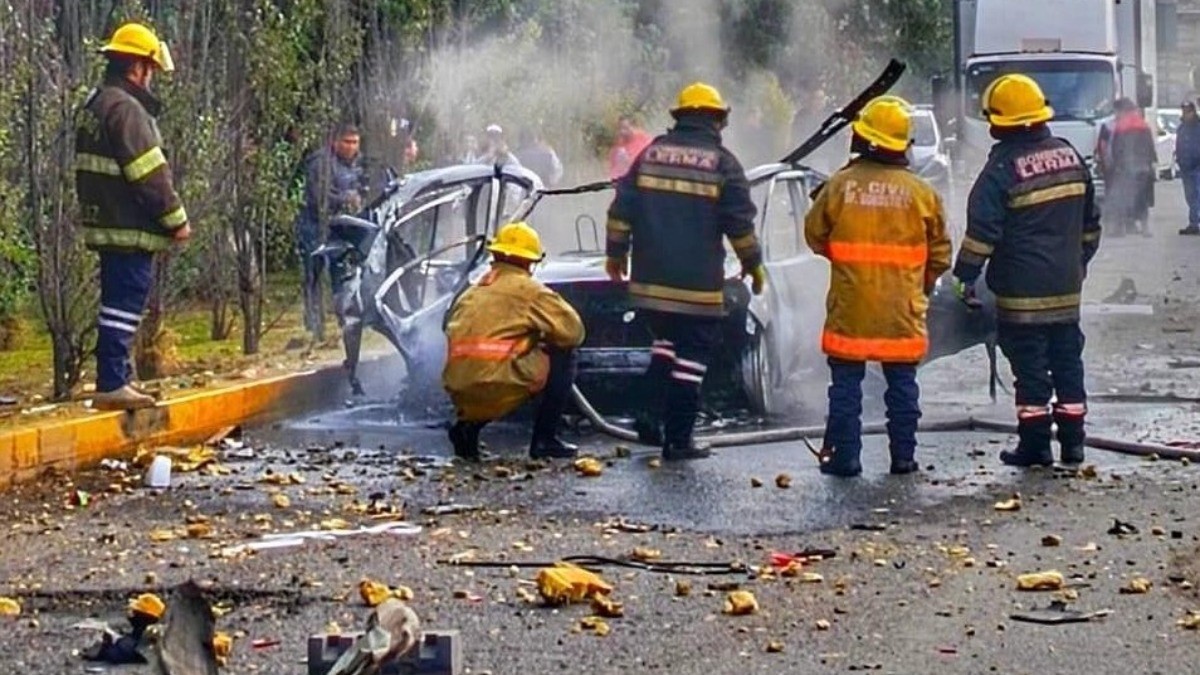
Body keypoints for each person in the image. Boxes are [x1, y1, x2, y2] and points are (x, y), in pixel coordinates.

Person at [605, 82, 764, 461]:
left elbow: (620, 210)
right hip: (696, 287)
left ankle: (648, 417)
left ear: (680, 117)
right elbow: (739, 225)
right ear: (717, 120)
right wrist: (753, 264)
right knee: (692, 355)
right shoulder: (723, 164)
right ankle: (678, 439)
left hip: (650, 282)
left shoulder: (650, 154)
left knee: (666, 344)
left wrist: (615, 255)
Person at [951, 74, 1101, 467]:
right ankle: (1073, 444)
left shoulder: (1001, 169)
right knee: (1068, 363)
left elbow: (981, 235)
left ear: (1000, 123)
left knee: (1031, 369)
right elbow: (1091, 226)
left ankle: (1035, 447)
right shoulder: (1069, 156)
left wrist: (964, 277)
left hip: (1021, 295)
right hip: (1066, 289)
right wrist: (1076, 264)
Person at [803, 96, 952, 477]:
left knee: (845, 388)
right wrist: (920, 286)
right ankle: (903, 458)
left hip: (851, 307)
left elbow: (815, 236)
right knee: (902, 386)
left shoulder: (839, 186)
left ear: (864, 139)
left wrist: (848, 261)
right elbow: (940, 255)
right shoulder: (923, 194)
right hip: (902, 309)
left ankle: (845, 459)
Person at [75, 22, 188, 411]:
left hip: (107, 221)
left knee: (116, 301)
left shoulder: (97, 103)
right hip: (128, 225)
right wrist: (176, 219)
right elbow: (149, 174)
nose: (151, 77)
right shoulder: (126, 109)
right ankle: (113, 382)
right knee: (125, 303)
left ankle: (118, 378)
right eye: (150, 69)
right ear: (137, 67)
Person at [442, 222, 585, 462]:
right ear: (530, 261)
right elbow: (574, 332)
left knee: (486, 372)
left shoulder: (471, 292)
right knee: (565, 354)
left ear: (495, 255)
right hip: (497, 385)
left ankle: (467, 430)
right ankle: (545, 440)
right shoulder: (530, 291)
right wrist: (540, 337)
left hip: (458, 387)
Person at [294, 123, 368, 342]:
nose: (351, 147)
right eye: (347, 142)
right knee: (314, 274)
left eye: (355, 142)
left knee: (343, 275)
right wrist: (346, 199)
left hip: (342, 228)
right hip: (314, 225)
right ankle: (314, 326)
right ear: (335, 142)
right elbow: (318, 196)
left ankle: (344, 323)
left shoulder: (358, 162)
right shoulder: (320, 163)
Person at [1105, 98, 1156, 237]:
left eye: (1116, 111)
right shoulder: (1143, 124)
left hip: (1126, 167)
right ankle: (1145, 228)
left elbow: (1117, 148)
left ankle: (1119, 229)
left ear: (1122, 110)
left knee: (1122, 196)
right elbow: (1150, 146)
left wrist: (1116, 164)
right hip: (1143, 167)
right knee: (1142, 198)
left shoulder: (1122, 126)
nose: (1116, 114)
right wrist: (1151, 163)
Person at [1177, 101, 1200, 235]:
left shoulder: (1198, 127)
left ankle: (1194, 223)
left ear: (1193, 112)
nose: (1185, 114)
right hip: (1185, 167)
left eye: (1188, 111)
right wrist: (1179, 159)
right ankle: (1194, 221)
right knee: (1190, 196)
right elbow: (1179, 144)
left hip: (1197, 167)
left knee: (1196, 195)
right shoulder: (1182, 128)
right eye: (1184, 111)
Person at [608, 115, 653, 180]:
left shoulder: (645, 140)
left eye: (625, 128)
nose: (622, 132)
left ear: (633, 127)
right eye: (620, 128)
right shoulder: (619, 147)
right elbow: (613, 169)